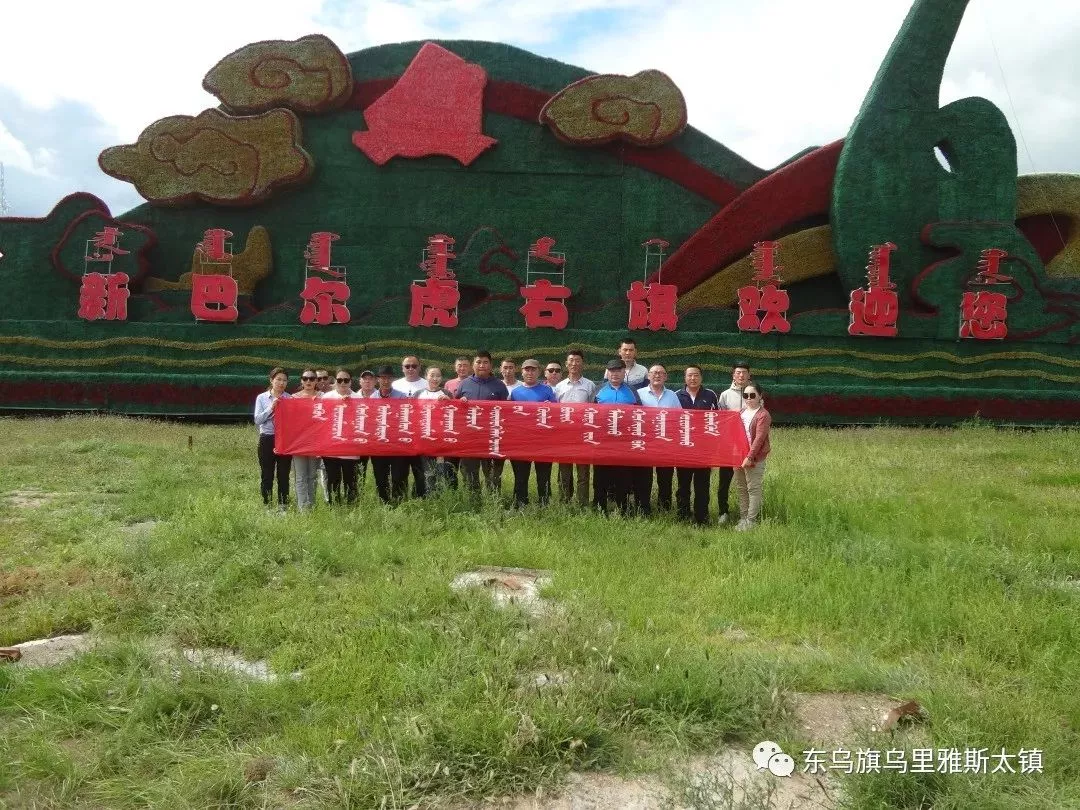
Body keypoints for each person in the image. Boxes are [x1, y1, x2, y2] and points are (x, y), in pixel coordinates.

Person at [455, 350, 509, 495]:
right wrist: (460, 403)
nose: (482, 365)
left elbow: (506, 412)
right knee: (470, 475)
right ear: (473, 365)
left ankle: (493, 503)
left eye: (485, 362)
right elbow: (456, 410)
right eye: (478, 362)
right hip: (469, 439)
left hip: (492, 438)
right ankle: (474, 504)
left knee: (493, 476)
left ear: (491, 365)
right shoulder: (464, 384)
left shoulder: (499, 385)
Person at [593, 359, 642, 515]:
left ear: (624, 372)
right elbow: (590, 414)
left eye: (618, 370)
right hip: (602, 441)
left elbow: (640, 415)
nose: (615, 374)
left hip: (624, 442)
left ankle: (623, 508)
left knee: (623, 476)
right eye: (612, 371)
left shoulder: (632, 391)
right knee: (600, 476)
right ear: (607, 373)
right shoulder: (598, 390)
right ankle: (600, 508)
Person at [509, 359, 557, 507]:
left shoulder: (547, 390)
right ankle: (520, 503)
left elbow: (556, 414)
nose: (530, 373)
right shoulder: (515, 393)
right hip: (521, 441)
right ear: (522, 372)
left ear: (539, 372)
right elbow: (509, 417)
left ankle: (544, 504)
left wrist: (551, 408)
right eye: (527, 369)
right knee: (520, 475)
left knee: (544, 476)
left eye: (533, 370)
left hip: (543, 441)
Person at [637, 364, 682, 515]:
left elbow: (679, 417)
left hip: (665, 443)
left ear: (665, 377)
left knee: (665, 478)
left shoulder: (672, 396)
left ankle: (664, 509)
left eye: (661, 373)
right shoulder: (639, 394)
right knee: (644, 478)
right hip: (645, 442)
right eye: (654, 372)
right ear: (648, 376)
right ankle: (643, 508)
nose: (657, 375)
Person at [676, 365, 718, 525]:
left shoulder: (710, 395)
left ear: (701, 377)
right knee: (683, 485)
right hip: (683, 448)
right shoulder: (677, 396)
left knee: (702, 485)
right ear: (685, 378)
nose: (693, 378)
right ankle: (683, 515)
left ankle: (702, 517)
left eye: (696, 375)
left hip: (703, 449)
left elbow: (717, 420)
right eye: (689, 375)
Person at [553, 350, 596, 507]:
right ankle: (564, 502)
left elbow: (593, 409)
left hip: (583, 434)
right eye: (571, 360)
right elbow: (555, 410)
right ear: (566, 364)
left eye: (577, 360)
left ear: (582, 364)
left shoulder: (590, 385)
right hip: (564, 434)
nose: (574, 363)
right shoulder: (559, 386)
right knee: (564, 471)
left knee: (583, 471)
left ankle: (582, 503)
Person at [716, 360, 750, 524]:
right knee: (725, 479)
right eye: (738, 372)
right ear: (733, 375)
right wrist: (733, 413)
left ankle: (748, 513)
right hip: (729, 444)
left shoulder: (754, 393)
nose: (741, 375)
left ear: (749, 375)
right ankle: (723, 512)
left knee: (748, 480)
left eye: (744, 372)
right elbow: (720, 419)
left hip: (748, 444)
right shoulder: (725, 395)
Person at [734, 382, 771, 530]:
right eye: (746, 395)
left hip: (754, 458)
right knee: (741, 488)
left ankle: (751, 521)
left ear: (760, 396)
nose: (748, 398)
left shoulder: (763, 415)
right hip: (738, 456)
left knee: (753, 489)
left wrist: (749, 457)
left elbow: (759, 439)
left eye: (752, 395)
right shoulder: (740, 412)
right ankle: (743, 518)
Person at [368, 365, 407, 504]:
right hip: (378, 444)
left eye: (388, 378)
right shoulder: (372, 398)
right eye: (383, 378)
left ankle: (399, 502)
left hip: (396, 443)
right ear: (378, 379)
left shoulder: (401, 396)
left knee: (398, 475)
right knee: (380, 476)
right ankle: (384, 503)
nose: (385, 381)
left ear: (393, 379)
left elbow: (405, 417)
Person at [321, 369, 361, 505]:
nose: (343, 383)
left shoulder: (358, 398)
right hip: (331, 447)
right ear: (335, 381)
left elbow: (362, 421)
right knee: (333, 479)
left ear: (351, 381)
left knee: (351, 479)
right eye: (339, 380)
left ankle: (351, 506)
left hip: (350, 447)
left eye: (346, 380)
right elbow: (321, 421)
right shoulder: (326, 397)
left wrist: (351, 405)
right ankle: (334, 506)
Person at [253, 367, 291, 509]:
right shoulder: (262, 398)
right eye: (278, 379)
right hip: (267, 438)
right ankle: (267, 504)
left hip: (284, 440)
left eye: (284, 380)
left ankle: (283, 505)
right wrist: (271, 408)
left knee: (283, 474)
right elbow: (257, 420)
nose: (281, 383)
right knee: (267, 473)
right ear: (271, 380)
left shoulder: (290, 399)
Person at [392, 355, 427, 497]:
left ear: (419, 367)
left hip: (420, 435)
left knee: (420, 472)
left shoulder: (427, 384)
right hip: (400, 436)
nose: (410, 369)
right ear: (402, 368)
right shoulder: (395, 385)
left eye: (414, 366)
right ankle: (399, 500)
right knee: (399, 472)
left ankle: (420, 500)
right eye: (407, 366)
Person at [290, 368, 321, 512]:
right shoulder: (293, 398)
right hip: (299, 442)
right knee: (301, 476)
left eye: (312, 378)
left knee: (312, 475)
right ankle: (303, 508)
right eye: (305, 378)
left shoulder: (323, 397)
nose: (308, 381)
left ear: (316, 381)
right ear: (301, 381)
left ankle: (312, 505)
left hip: (315, 441)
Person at [417, 367, 451, 493]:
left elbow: (453, 414)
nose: (435, 378)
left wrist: (449, 402)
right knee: (428, 470)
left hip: (442, 438)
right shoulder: (418, 394)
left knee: (441, 469)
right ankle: (429, 496)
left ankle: (442, 495)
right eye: (432, 375)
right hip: (424, 437)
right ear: (426, 376)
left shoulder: (447, 393)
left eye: (438, 376)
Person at [313, 368, 333, 504]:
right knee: (312, 473)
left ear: (329, 379)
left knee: (327, 471)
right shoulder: (308, 394)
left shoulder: (336, 393)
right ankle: (310, 501)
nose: (322, 381)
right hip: (314, 439)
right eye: (318, 378)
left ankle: (328, 500)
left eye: (324, 378)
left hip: (331, 440)